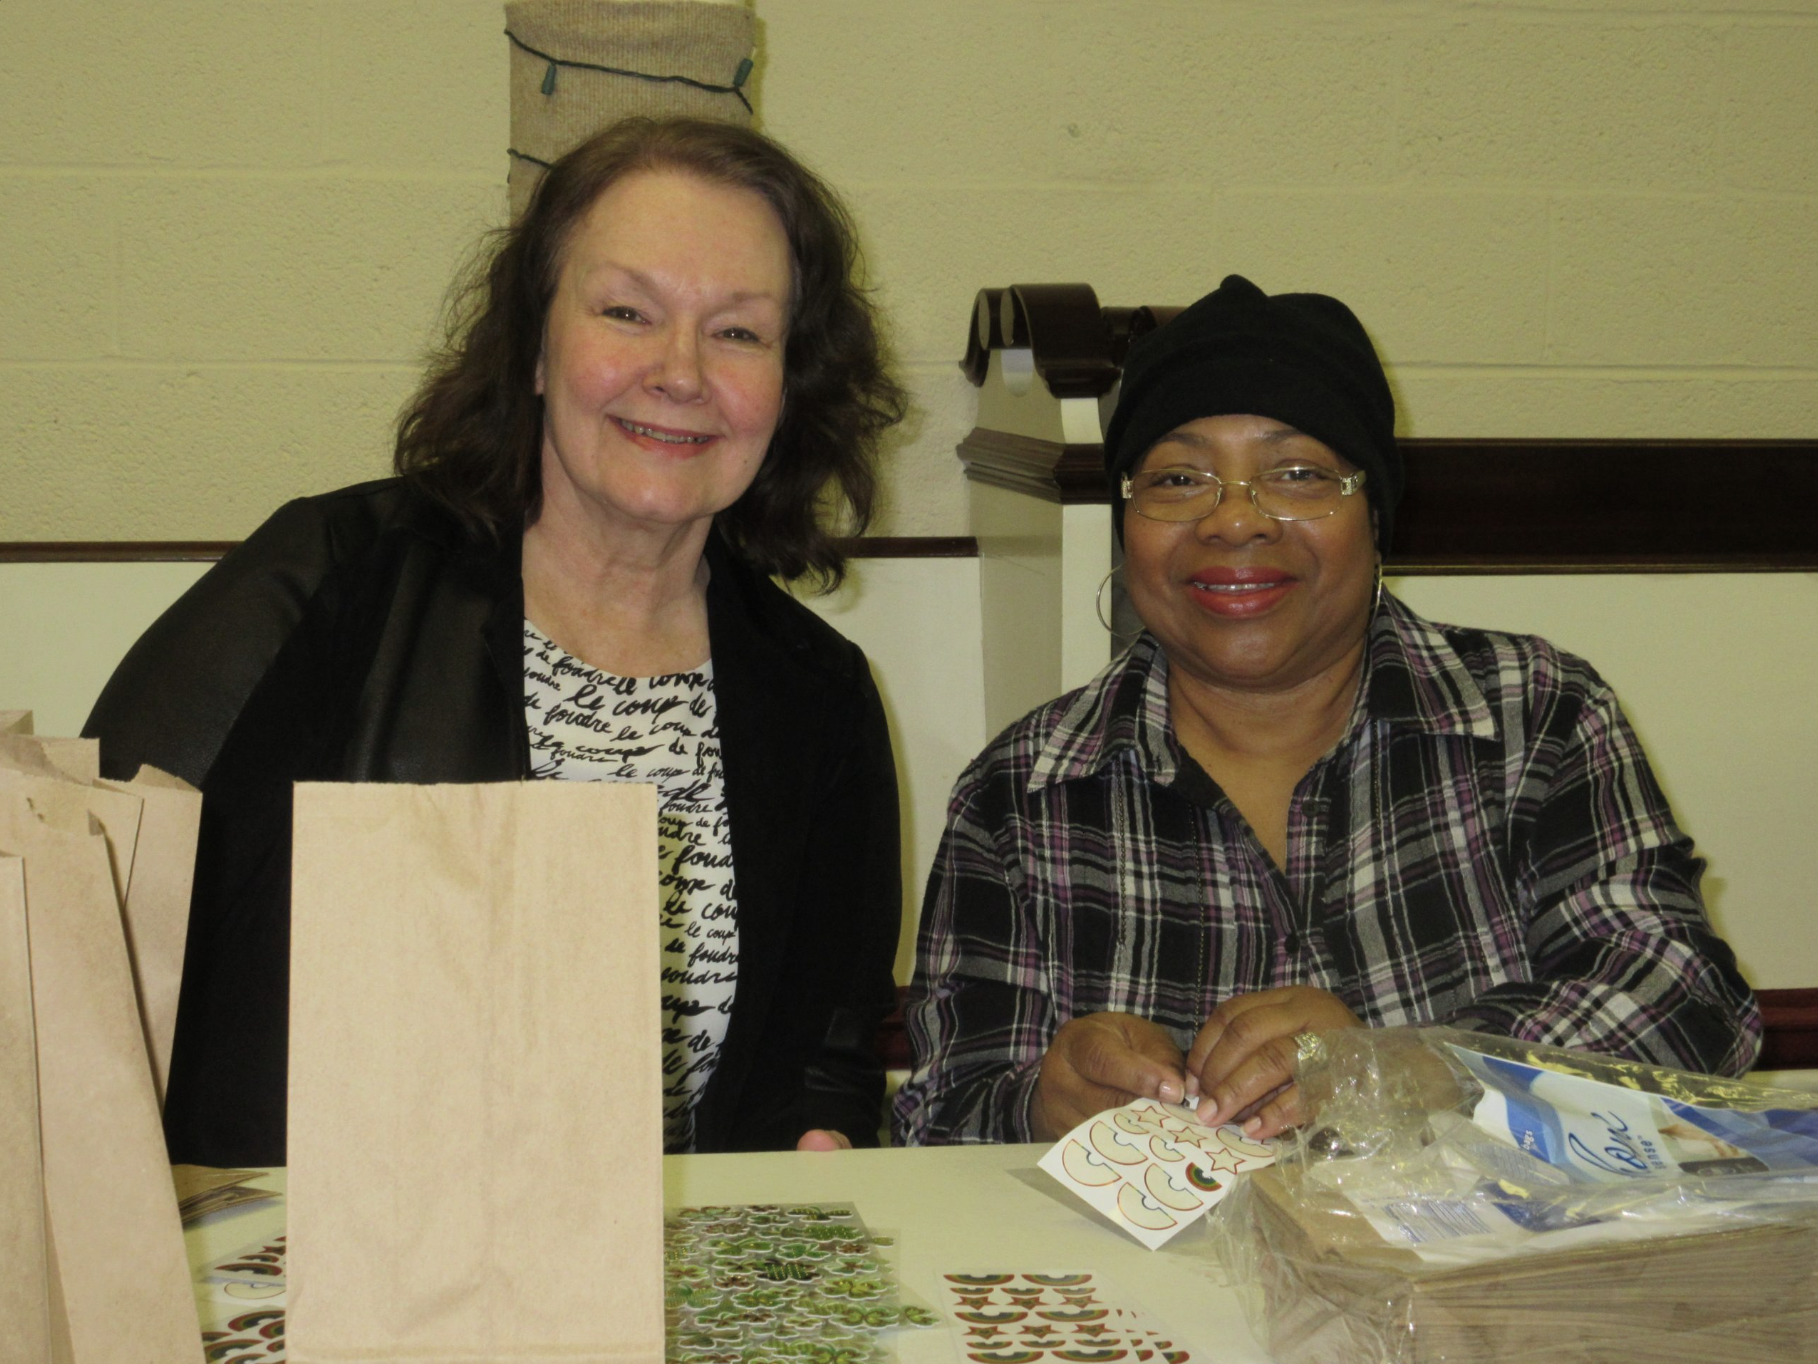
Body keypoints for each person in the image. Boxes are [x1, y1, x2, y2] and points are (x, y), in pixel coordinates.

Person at [86, 117, 907, 1167]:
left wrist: (820, 1135)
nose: (681, 370)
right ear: (533, 347)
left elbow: (824, 1053)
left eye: (740, 332)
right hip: (302, 1280)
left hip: (635, 1295)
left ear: (791, 383)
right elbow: (86, 929)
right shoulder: (332, 579)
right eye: (627, 311)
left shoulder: (820, 691)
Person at [893, 274, 1761, 1147]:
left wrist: (1423, 1066)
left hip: (1487, 1275)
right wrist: (1037, 1106)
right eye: (1180, 478)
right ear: (1129, 523)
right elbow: (933, 1120)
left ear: (1375, 513)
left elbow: (1685, 1001)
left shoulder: (1535, 717)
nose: (1234, 522)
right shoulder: (1024, 791)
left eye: (1299, 474)